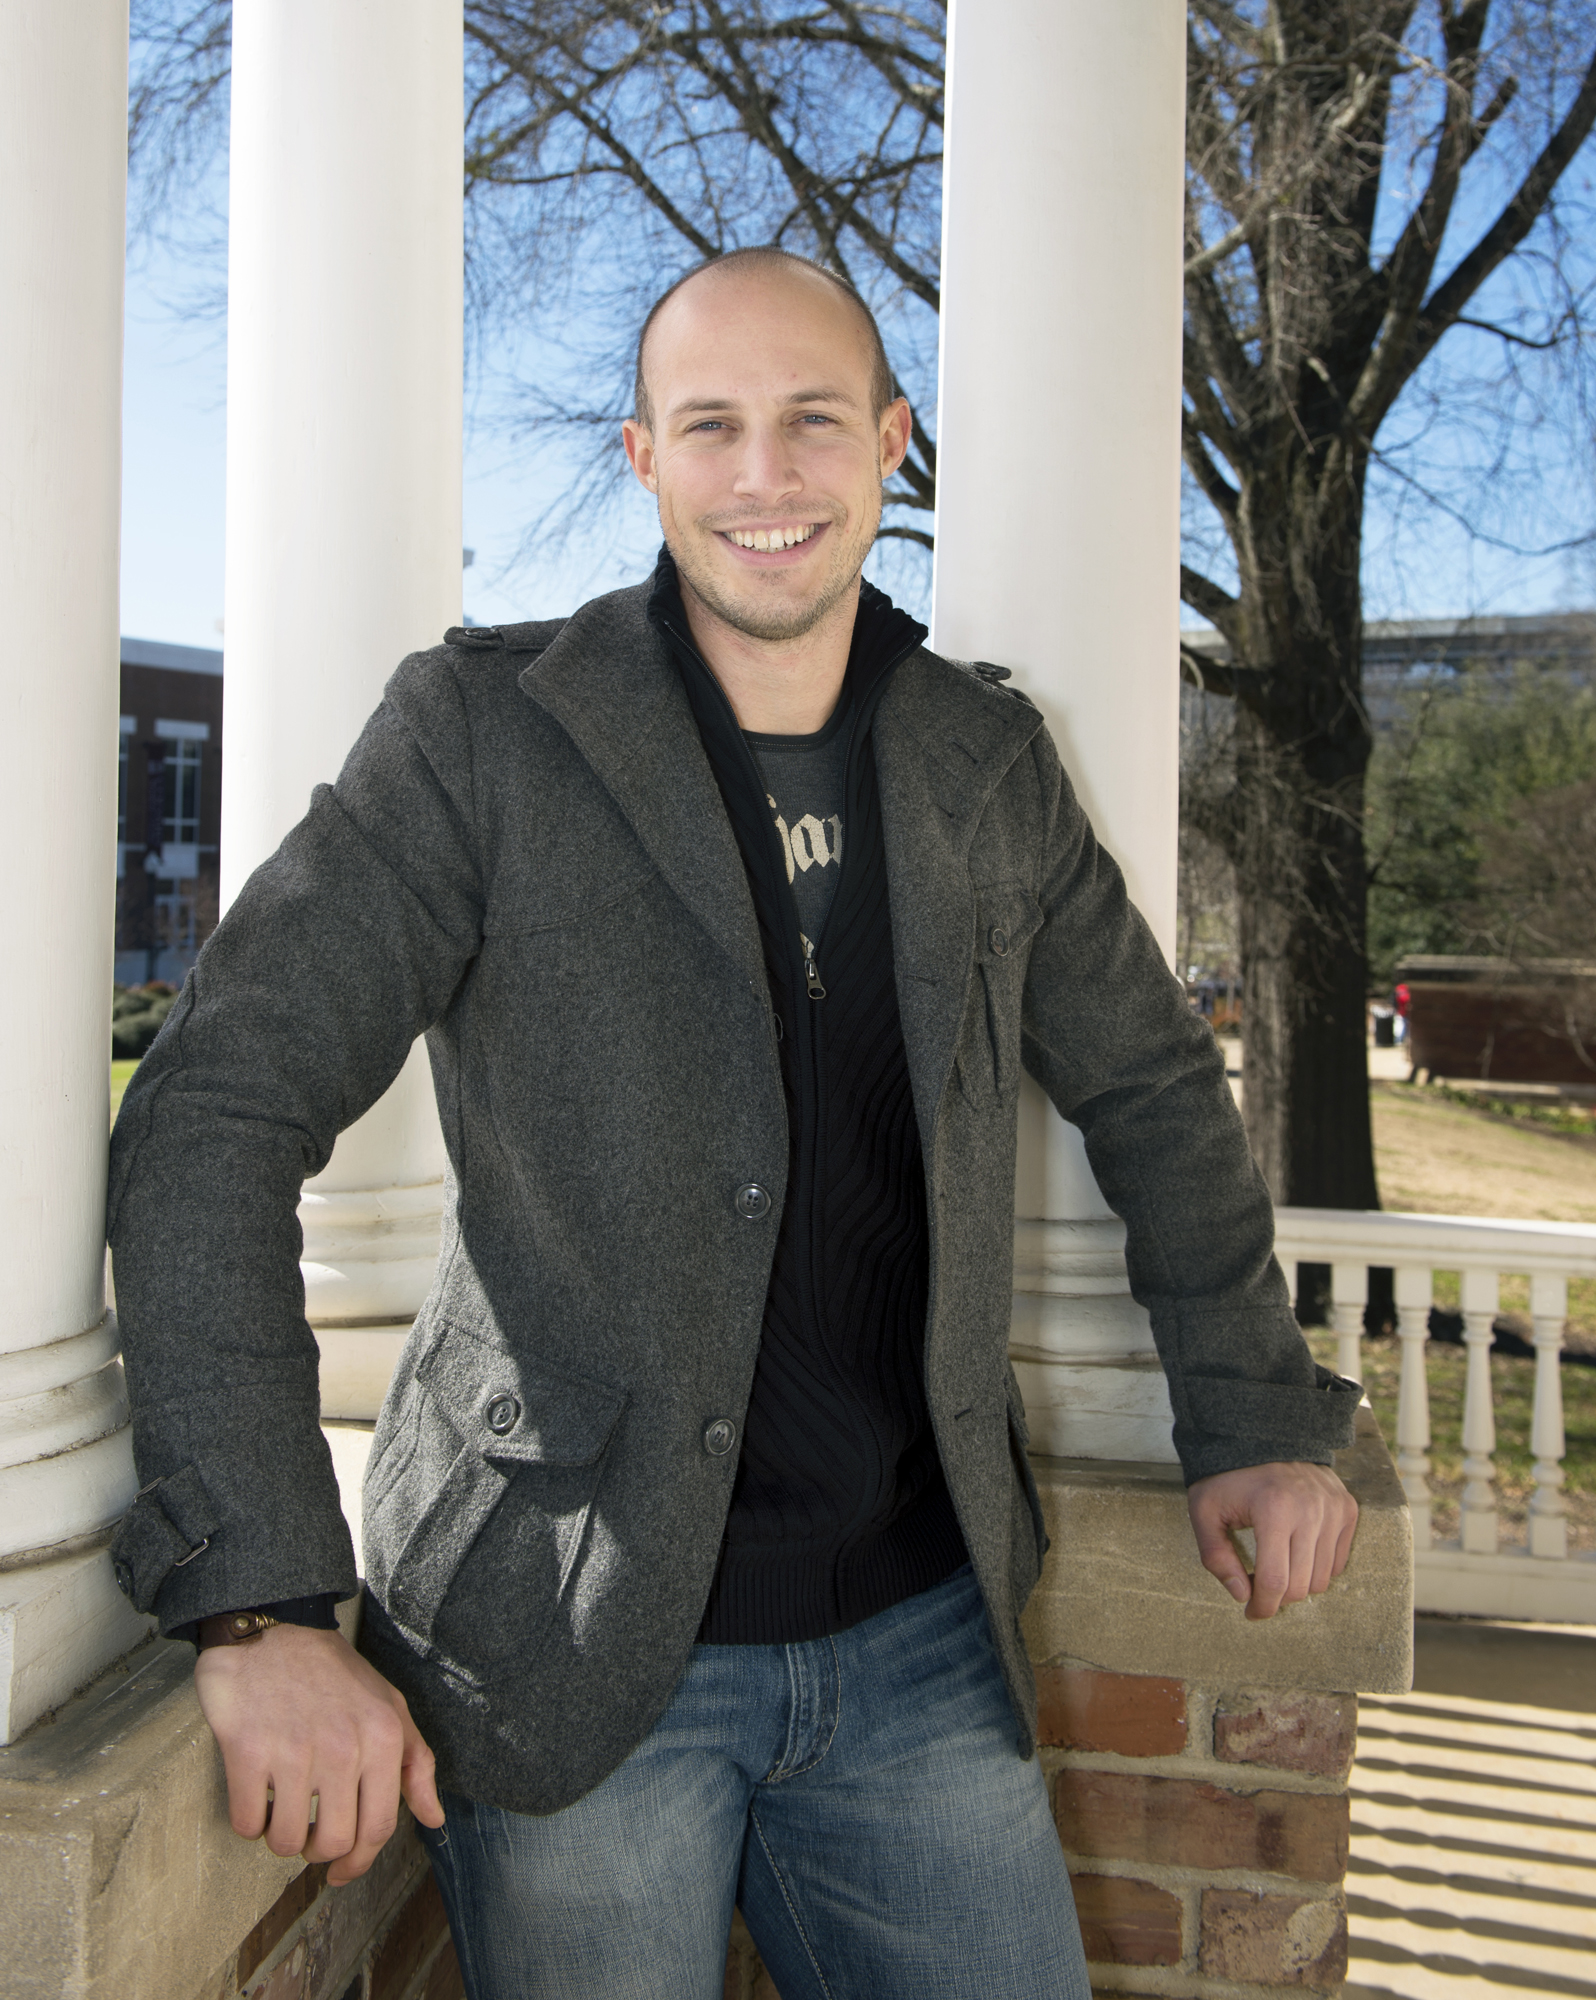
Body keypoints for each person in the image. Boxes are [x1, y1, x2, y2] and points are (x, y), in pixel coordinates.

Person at [108, 249, 1361, 2000]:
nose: (765, 477)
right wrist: (252, 1599)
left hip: (924, 1632)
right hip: (559, 1641)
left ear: (889, 444)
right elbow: (213, 1109)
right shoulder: (481, 737)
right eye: (712, 426)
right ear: (645, 457)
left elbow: (1154, 1085)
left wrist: (1253, 1409)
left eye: (813, 422)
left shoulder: (982, 761)